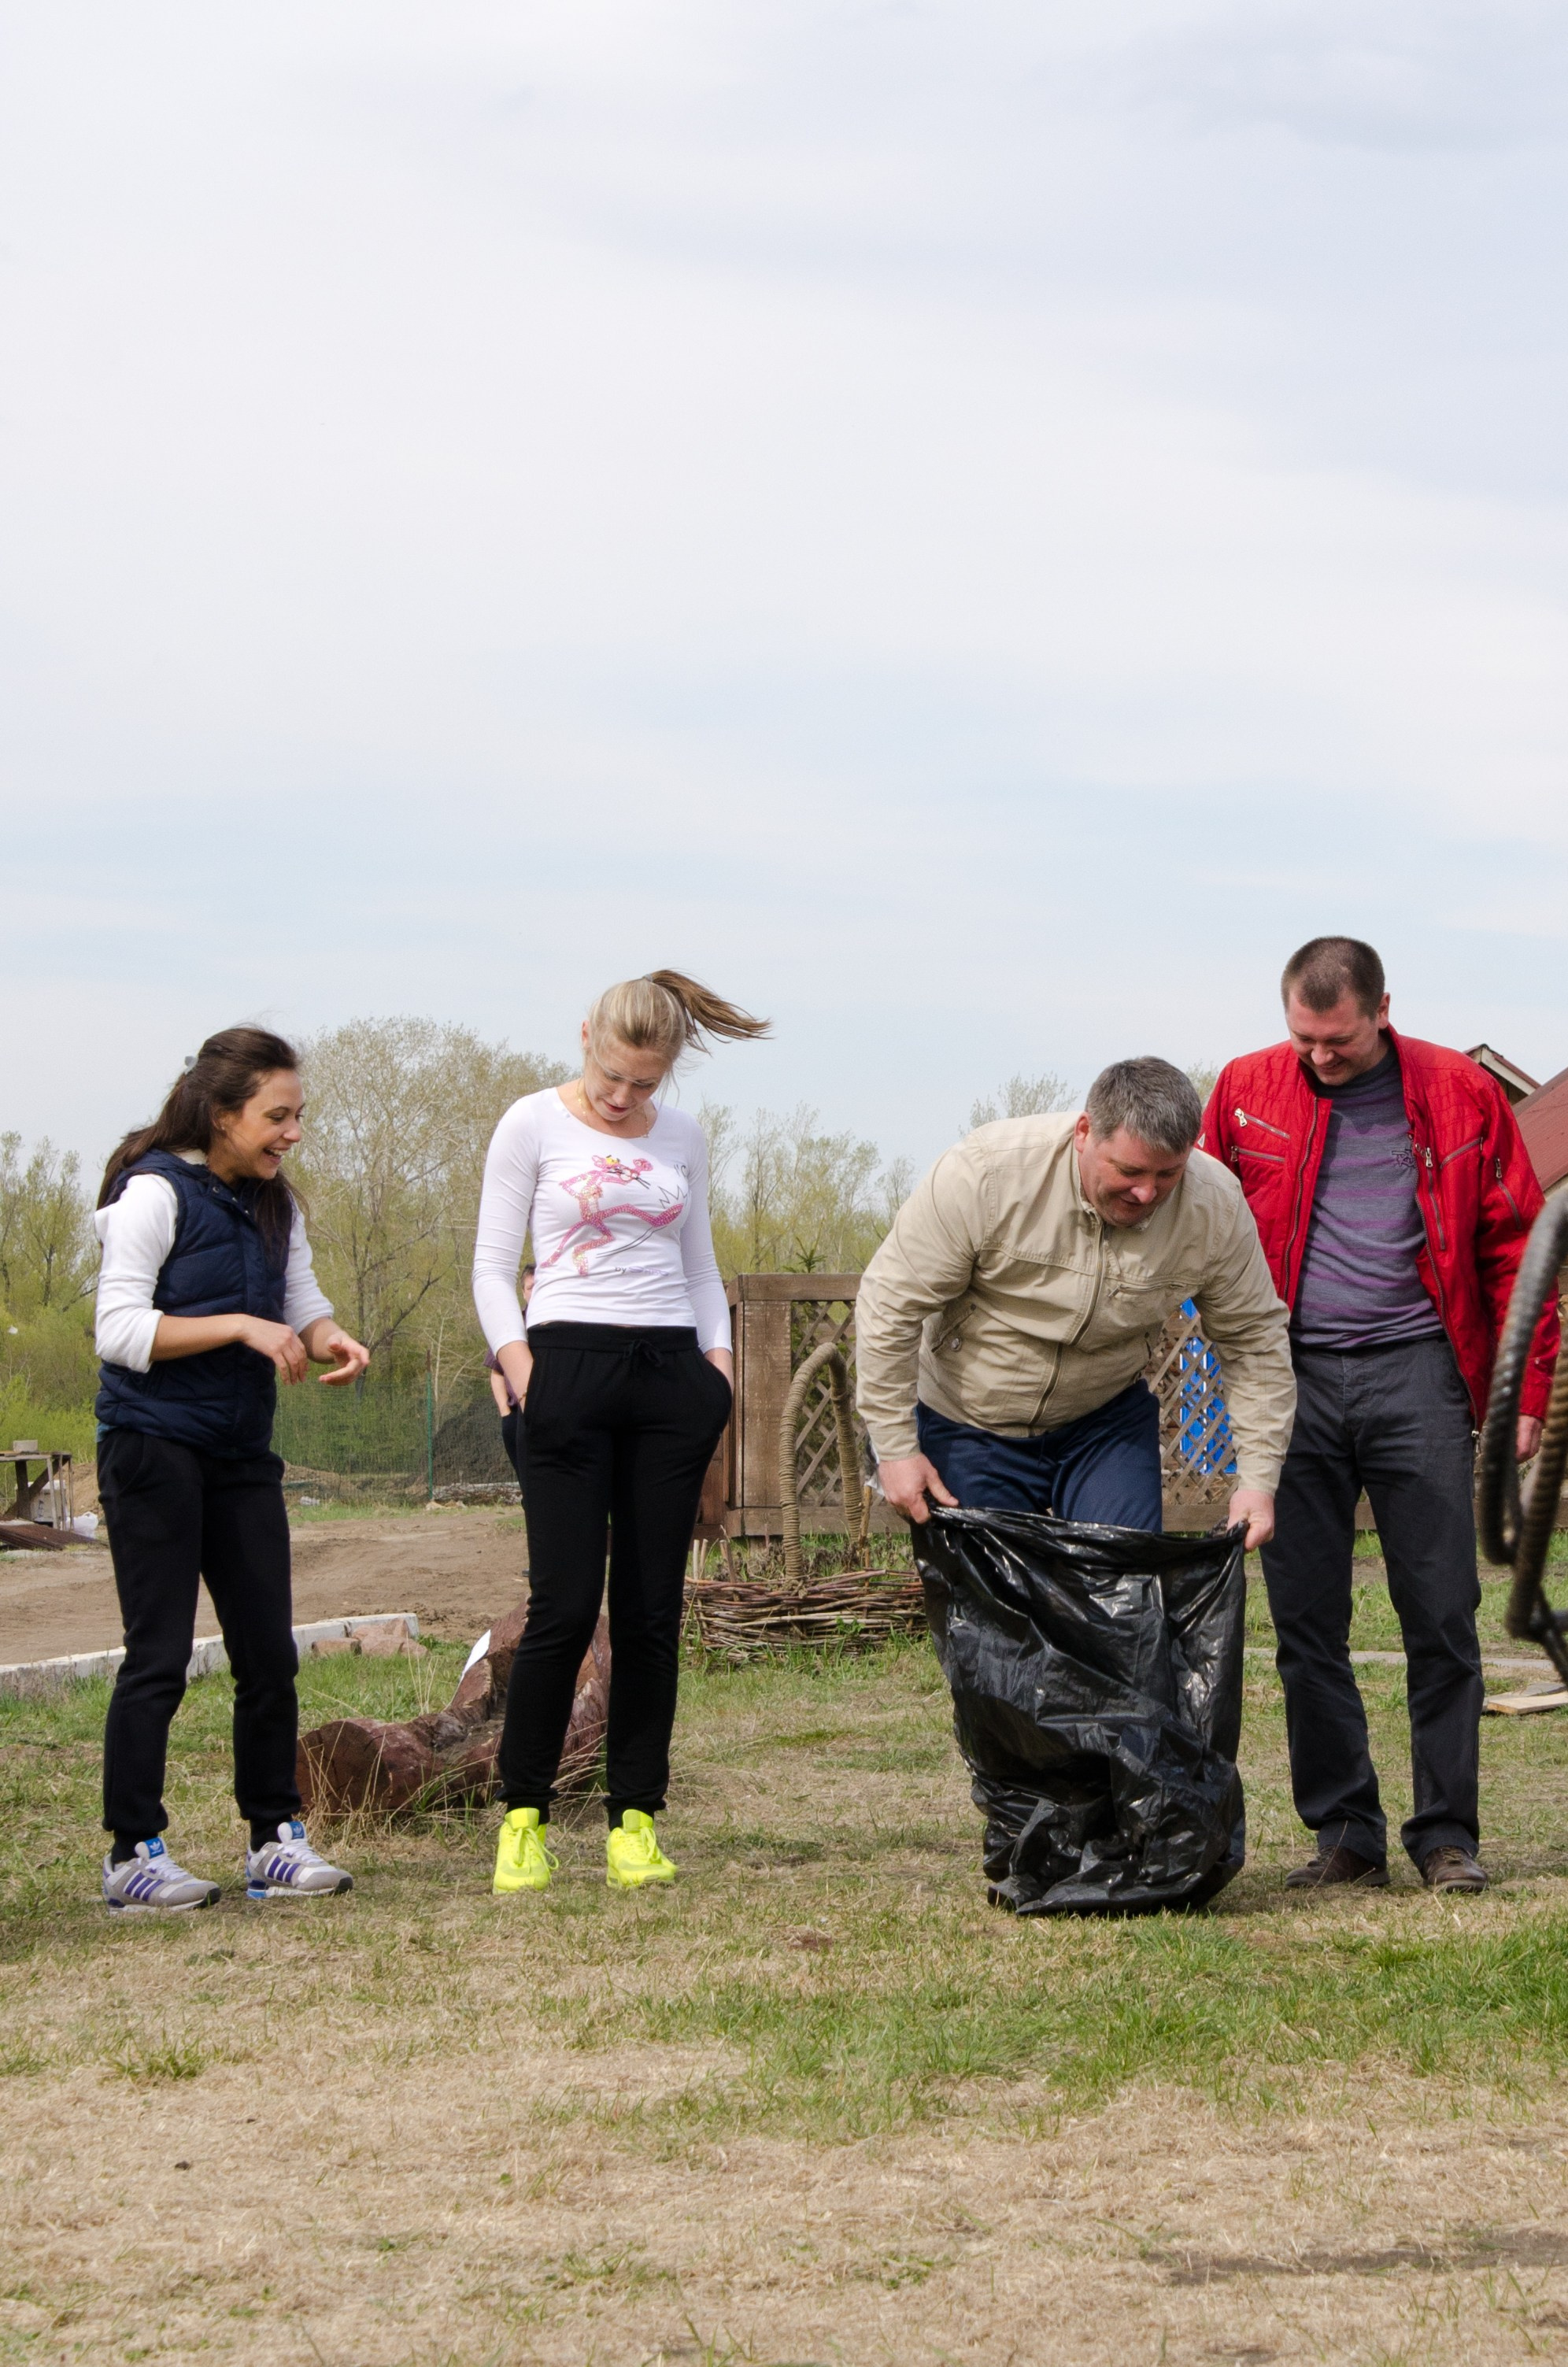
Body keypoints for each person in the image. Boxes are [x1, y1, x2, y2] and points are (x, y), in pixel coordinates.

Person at [1203, 937, 1558, 1896]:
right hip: (1291, 1382)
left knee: (1441, 1612)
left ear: (1383, 1011)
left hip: (1420, 1375)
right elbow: (1198, 1223)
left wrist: (1524, 1392)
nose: (1321, 1056)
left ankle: (1446, 1836)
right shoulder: (1242, 1090)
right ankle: (1346, 1834)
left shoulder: (1460, 1093)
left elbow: (1516, 1248)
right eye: (1305, 1039)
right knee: (1306, 1621)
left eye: (1340, 1040)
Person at [472, 971, 767, 1896]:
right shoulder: (530, 1123)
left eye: (645, 1082)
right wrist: (525, 1371)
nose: (623, 1096)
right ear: (586, 1036)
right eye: (611, 1075)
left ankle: (634, 1819)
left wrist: (717, 1371)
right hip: (565, 1369)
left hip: (669, 1378)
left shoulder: (683, 1137)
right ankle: (524, 1818)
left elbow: (700, 1265)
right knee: (563, 1606)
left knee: (650, 1612)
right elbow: (489, 1267)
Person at [93, 1027, 371, 1913]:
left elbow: (301, 1303)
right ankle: (133, 1854)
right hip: (152, 1445)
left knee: (268, 1654)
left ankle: (273, 1841)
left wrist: (329, 1336)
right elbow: (119, 1331)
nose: (293, 1132)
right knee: (160, 1656)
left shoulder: (276, 1204)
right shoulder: (152, 1192)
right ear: (221, 1114)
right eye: (277, 1116)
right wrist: (242, 1327)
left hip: (240, 1451)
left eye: (298, 1115)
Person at [856, 1057, 1295, 1544]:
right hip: (970, 1419)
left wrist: (1258, 1482)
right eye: (1129, 1170)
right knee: (989, 1591)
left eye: (1168, 1174)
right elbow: (890, 1302)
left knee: (1124, 1584)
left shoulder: (1215, 1207)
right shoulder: (987, 1174)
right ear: (1085, 1132)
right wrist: (896, 1449)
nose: (1147, 1192)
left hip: (1103, 1423)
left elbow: (1254, 1340)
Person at [486, 1263, 536, 1495]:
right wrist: (506, 1414)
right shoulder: (512, 1325)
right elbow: (496, 1373)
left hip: (554, 1410)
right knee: (527, 1480)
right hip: (517, 1416)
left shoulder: (561, 1324)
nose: (536, 1292)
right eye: (531, 1287)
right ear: (523, 1292)